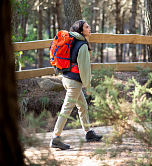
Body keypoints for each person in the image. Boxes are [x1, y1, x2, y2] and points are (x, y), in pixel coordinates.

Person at [50, 20, 102, 150]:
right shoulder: (82, 45)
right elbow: (85, 69)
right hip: (74, 82)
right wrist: (88, 87)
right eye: (87, 27)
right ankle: (55, 137)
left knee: (82, 106)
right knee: (67, 109)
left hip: (66, 78)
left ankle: (88, 133)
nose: (90, 29)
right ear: (81, 30)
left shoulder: (72, 40)